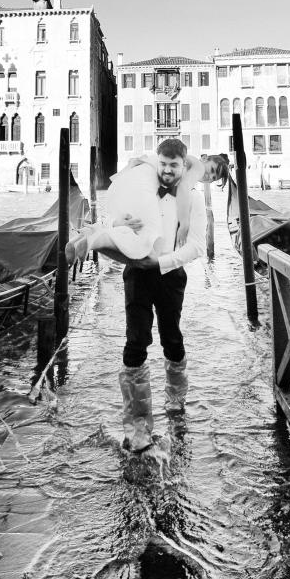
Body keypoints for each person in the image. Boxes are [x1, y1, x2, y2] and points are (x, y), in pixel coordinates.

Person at [108, 139, 211, 453]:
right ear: (158, 162)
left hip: (170, 274)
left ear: (183, 166)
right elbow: (110, 220)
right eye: (163, 164)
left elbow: (197, 247)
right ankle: (138, 427)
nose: (167, 171)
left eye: (173, 165)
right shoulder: (140, 185)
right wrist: (117, 223)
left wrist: (163, 262)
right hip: (137, 271)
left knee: (172, 339)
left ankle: (176, 405)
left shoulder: (192, 200)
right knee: (135, 343)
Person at [65, 150, 229, 266]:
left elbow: (196, 246)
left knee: (135, 238)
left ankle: (90, 236)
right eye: (212, 170)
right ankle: (93, 240)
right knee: (145, 251)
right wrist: (184, 225)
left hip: (138, 181)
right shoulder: (191, 171)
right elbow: (182, 187)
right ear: (205, 158)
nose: (209, 177)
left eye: (213, 178)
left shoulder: (184, 178)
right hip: (144, 184)